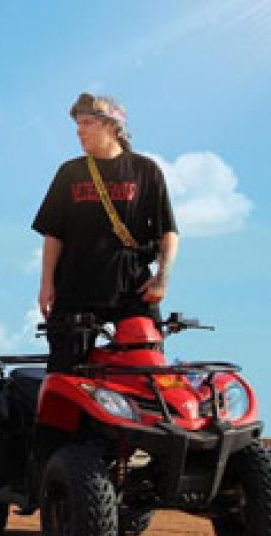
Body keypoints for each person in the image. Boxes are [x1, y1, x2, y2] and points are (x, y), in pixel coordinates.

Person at [32, 93, 179, 373]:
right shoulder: (70, 172)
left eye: (87, 123)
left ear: (111, 126)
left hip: (133, 287)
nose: (79, 131)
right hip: (75, 286)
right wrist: (46, 284)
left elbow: (168, 232)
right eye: (78, 124)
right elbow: (53, 234)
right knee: (66, 372)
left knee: (146, 369)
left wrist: (162, 278)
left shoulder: (145, 171)